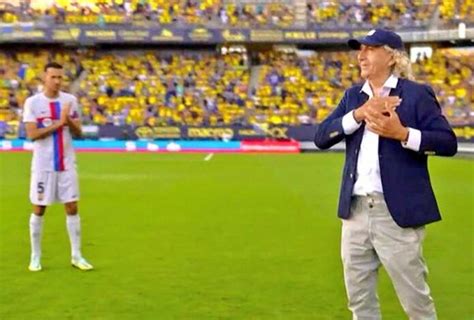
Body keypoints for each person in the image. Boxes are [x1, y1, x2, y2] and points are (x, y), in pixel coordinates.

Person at [314, 29, 457, 319]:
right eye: (360, 49)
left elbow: (447, 143)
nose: (361, 55)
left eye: (370, 48)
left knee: (416, 303)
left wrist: (403, 134)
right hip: (354, 213)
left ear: (392, 56)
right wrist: (359, 114)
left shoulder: (416, 94)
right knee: (360, 303)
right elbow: (321, 137)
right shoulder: (353, 96)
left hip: (395, 214)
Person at [23, 62, 93, 272]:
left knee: (72, 207)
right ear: (44, 77)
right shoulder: (33, 103)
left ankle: (77, 256)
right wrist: (58, 123)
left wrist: (68, 121)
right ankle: (35, 257)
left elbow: (79, 132)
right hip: (43, 165)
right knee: (39, 208)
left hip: (66, 163)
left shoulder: (70, 101)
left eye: (60, 78)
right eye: (53, 77)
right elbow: (32, 134)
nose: (57, 81)